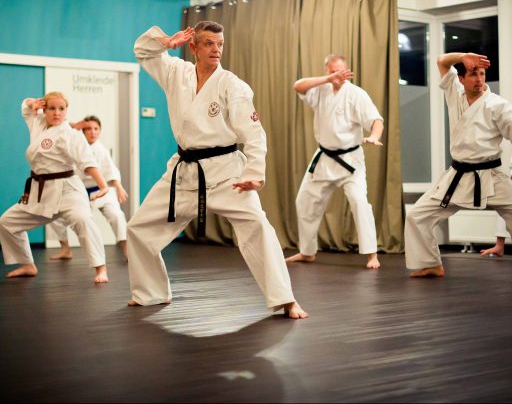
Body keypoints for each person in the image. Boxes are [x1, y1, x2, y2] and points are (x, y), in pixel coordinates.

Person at [127, 21, 308, 319]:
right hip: (184, 173)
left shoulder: (232, 85)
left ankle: (286, 299)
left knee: (258, 226)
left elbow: (254, 134)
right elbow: (142, 51)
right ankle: (150, 292)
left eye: (220, 44)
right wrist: (164, 42)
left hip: (227, 175)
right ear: (193, 47)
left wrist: (254, 174)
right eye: (209, 43)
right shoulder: (176, 72)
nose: (216, 49)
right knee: (138, 229)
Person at [405, 52, 512, 277]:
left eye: (482, 74)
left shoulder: (498, 105)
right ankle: (431, 263)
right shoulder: (455, 93)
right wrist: (464, 56)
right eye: (473, 74)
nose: (479, 79)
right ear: (461, 79)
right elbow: (441, 61)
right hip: (457, 176)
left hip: (490, 177)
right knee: (417, 216)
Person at [285, 54, 384, 269]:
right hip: (324, 158)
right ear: (327, 71)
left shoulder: (356, 94)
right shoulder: (321, 89)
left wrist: (374, 136)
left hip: (350, 160)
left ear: (348, 71)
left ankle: (372, 254)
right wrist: (327, 79)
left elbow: (376, 120)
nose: (337, 75)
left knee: (359, 201)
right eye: (332, 71)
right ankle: (307, 252)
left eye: (341, 71)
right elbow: (298, 86)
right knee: (304, 202)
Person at [0, 92, 110, 283]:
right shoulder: (38, 123)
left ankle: (101, 268)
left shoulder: (71, 134)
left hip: (68, 189)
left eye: (61, 108)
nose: (56, 113)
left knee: (82, 219)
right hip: (40, 191)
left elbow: (87, 162)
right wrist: (32, 103)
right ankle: (27, 264)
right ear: (44, 109)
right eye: (51, 108)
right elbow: (26, 108)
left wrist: (103, 185)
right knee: (7, 223)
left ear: (67, 110)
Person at [48, 115, 129, 259]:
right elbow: (59, 130)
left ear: (100, 131)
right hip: (79, 192)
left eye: (96, 129)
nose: (92, 132)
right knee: (54, 215)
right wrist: (74, 126)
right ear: (82, 131)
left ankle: (127, 250)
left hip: (101, 189)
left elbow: (110, 170)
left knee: (116, 215)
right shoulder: (73, 145)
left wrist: (118, 186)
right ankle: (65, 249)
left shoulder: (102, 150)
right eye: (88, 129)